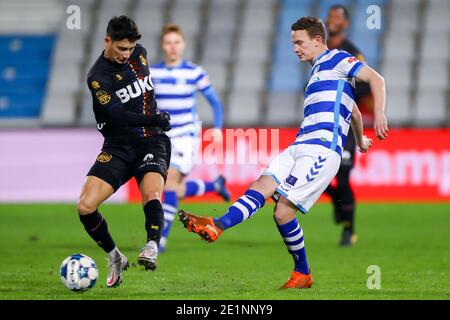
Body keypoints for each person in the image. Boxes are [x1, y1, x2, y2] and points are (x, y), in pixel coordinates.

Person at [178, 16, 388, 289]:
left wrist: (380, 114)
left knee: (282, 212)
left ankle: (303, 273)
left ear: (317, 40)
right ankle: (217, 225)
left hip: (322, 148)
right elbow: (354, 112)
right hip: (300, 145)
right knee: (260, 185)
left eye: (299, 42)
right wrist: (360, 140)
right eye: (292, 43)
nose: (295, 48)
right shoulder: (316, 73)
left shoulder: (337, 59)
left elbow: (376, 78)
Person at [78, 15, 172, 288]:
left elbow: (143, 97)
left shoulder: (140, 54)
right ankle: (114, 256)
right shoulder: (98, 77)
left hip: (151, 141)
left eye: (130, 49)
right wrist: (154, 118)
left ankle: (152, 246)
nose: (126, 54)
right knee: (85, 206)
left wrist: (153, 124)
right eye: (121, 48)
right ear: (107, 41)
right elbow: (117, 114)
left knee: (152, 193)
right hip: (118, 146)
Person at [150, 24, 230, 252]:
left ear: (183, 45)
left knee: (171, 181)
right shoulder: (153, 74)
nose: (172, 47)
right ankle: (213, 185)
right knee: (175, 188)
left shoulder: (195, 72)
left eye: (176, 42)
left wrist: (218, 127)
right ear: (163, 45)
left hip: (186, 134)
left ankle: (160, 239)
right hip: (162, 136)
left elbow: (215, 102)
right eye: (168, 42)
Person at [324, 4, 374, 246]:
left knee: (343, 175)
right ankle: (334, 198)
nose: (331, 21)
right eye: (329, 17)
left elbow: (366, 84)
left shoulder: (352, 52)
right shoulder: (320, 51)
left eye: (336, 18)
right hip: (323, 124)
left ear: (345, 24)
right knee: (319, 176)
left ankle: (348, 230)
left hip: (346, 125)